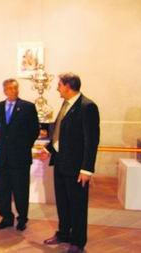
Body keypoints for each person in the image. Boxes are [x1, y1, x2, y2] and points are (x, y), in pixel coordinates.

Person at [41, 73, 100, 253]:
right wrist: (49, 149)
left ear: (68, 86)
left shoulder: (87, 107)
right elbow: (61, 133)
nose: (57, 88)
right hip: (60, 162)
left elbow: (92, 140)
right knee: (63, 202)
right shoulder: (66, 104)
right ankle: (64, 233)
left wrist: (87, 169)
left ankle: (78, 241)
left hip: (76, 167)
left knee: (77, 205)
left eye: (59, 84)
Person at [0, 79, 39, 231]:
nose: (14, 91)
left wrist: (24, 146)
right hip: (3, 156)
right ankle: (6, 217)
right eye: (10, 88)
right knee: (3, 189)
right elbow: (1, 129)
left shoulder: (28, 107)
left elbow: (34, 130)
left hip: (20, 156)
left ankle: (22, 218)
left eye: (16, 88)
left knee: (20, 189)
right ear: (4, 90)